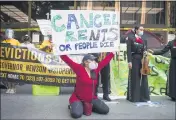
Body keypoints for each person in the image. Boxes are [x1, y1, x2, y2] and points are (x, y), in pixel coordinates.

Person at [60, 52, 114, 118]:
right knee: (76, 114)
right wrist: (59, 50)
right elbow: (67, 60)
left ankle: (86, 106)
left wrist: (113, 53)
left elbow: (105, 61)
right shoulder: (79, 68)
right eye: (92, 60)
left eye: (94, 60)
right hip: (78, 98)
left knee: (105, 110)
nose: (94, 62)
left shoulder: (95, 70)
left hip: (91, 98)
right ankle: (74, 105)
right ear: (85, 62)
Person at [126, 26, 150, 102]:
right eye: (140, 29)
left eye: (143, 29)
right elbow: (128, 51)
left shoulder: (144, 39)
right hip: (134, 59)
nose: (142, 31)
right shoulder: (130, 38)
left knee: (143, 78)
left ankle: (143, 97)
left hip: (142, 60)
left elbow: (145, 49)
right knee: (135, 78)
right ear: (136, 30)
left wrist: (145, 53)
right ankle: (134, 97)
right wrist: (129, 61)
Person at [148, 37, 176, 101]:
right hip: (173, 63)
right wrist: (153, 52)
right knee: (173, 79)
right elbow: (162, 51)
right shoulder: (171, 43)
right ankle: (173, 95)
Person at [2, 29, 21, 94]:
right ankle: (9, 87)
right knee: (6, 76)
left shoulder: (16, 41)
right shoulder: (4, 42)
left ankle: (13, 88)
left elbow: (21, 50)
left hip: (14, 62)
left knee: (12, 75)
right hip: (6, 62)